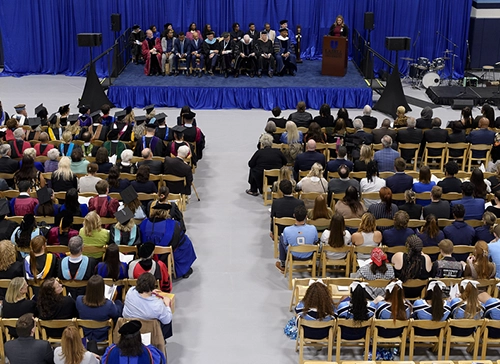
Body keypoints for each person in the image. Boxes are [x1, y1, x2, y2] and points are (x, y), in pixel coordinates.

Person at [140, 201, 196, 278]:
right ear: (166, 212)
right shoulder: (173, 224)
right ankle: (183, 270)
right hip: (165, 253)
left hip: (148, 253)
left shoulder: (144, 223)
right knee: (186, 243)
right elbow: (176, 241)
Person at [123, 272, 173, 339]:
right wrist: (167, 306)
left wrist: (150, 292)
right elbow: (167, 320)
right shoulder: (157, 305)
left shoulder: (130, 291)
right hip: (148, 329)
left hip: (130, 324)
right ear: (153, 286)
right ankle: (161, 339)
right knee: (167, 318)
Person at [76, 275, 122, 342]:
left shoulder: (79, 300)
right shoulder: (108, 305)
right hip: (102, 335)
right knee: (119, 305)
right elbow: (117, 314)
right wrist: (117, 303)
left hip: (85, 333)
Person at [275, 205, 317, 273]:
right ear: (306, 217)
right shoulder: (313, 228)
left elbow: (285, 243)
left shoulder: (287, 230)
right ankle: (312, 265)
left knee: (282, 237)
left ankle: (283, 263)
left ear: (294, 215)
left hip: (294, 255)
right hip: (309, 255)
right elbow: (315, 241)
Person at [101, 320, 166, 363]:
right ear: (139, 337)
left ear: (122, 338)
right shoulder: (150, 352)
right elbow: (161, 361)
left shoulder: (111, 351)